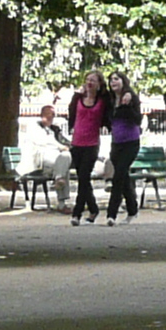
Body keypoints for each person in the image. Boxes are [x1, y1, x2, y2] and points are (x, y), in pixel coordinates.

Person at [67, 69, 109, 226]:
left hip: (91, 144)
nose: (90, 82)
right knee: (83, 179)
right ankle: (93, 208)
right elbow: (71, 115)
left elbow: (109, 114)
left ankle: (76, 213)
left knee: (84, 176)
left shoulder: (103, 101)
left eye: (93, 80)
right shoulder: (77, 98)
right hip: (77, 142)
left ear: (99, 84)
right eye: (87, 79)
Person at [104, 71, 144, 220]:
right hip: (116, 143)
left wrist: (126, 105)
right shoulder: (109, 99)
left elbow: (137, 119)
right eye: (111, 80)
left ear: (123, 81)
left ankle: (111, 214)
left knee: (118, 175)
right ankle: (132, 210)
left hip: (131, 142)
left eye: (116, 79)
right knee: (124, 176)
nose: (113, 82)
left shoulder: (131, 98)